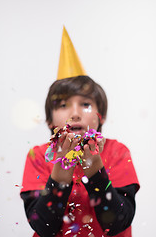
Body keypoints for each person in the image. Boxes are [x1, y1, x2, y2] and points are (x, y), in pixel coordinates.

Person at [20, 27, 140, 237]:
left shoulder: (117, 152)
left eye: (85, 104)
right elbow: (43, 228)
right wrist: (61, 172)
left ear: (99, 115)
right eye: (63, 105)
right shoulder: (38, 156)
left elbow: (118, 223)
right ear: (49, 119)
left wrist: (94, 168)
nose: (75, 114)